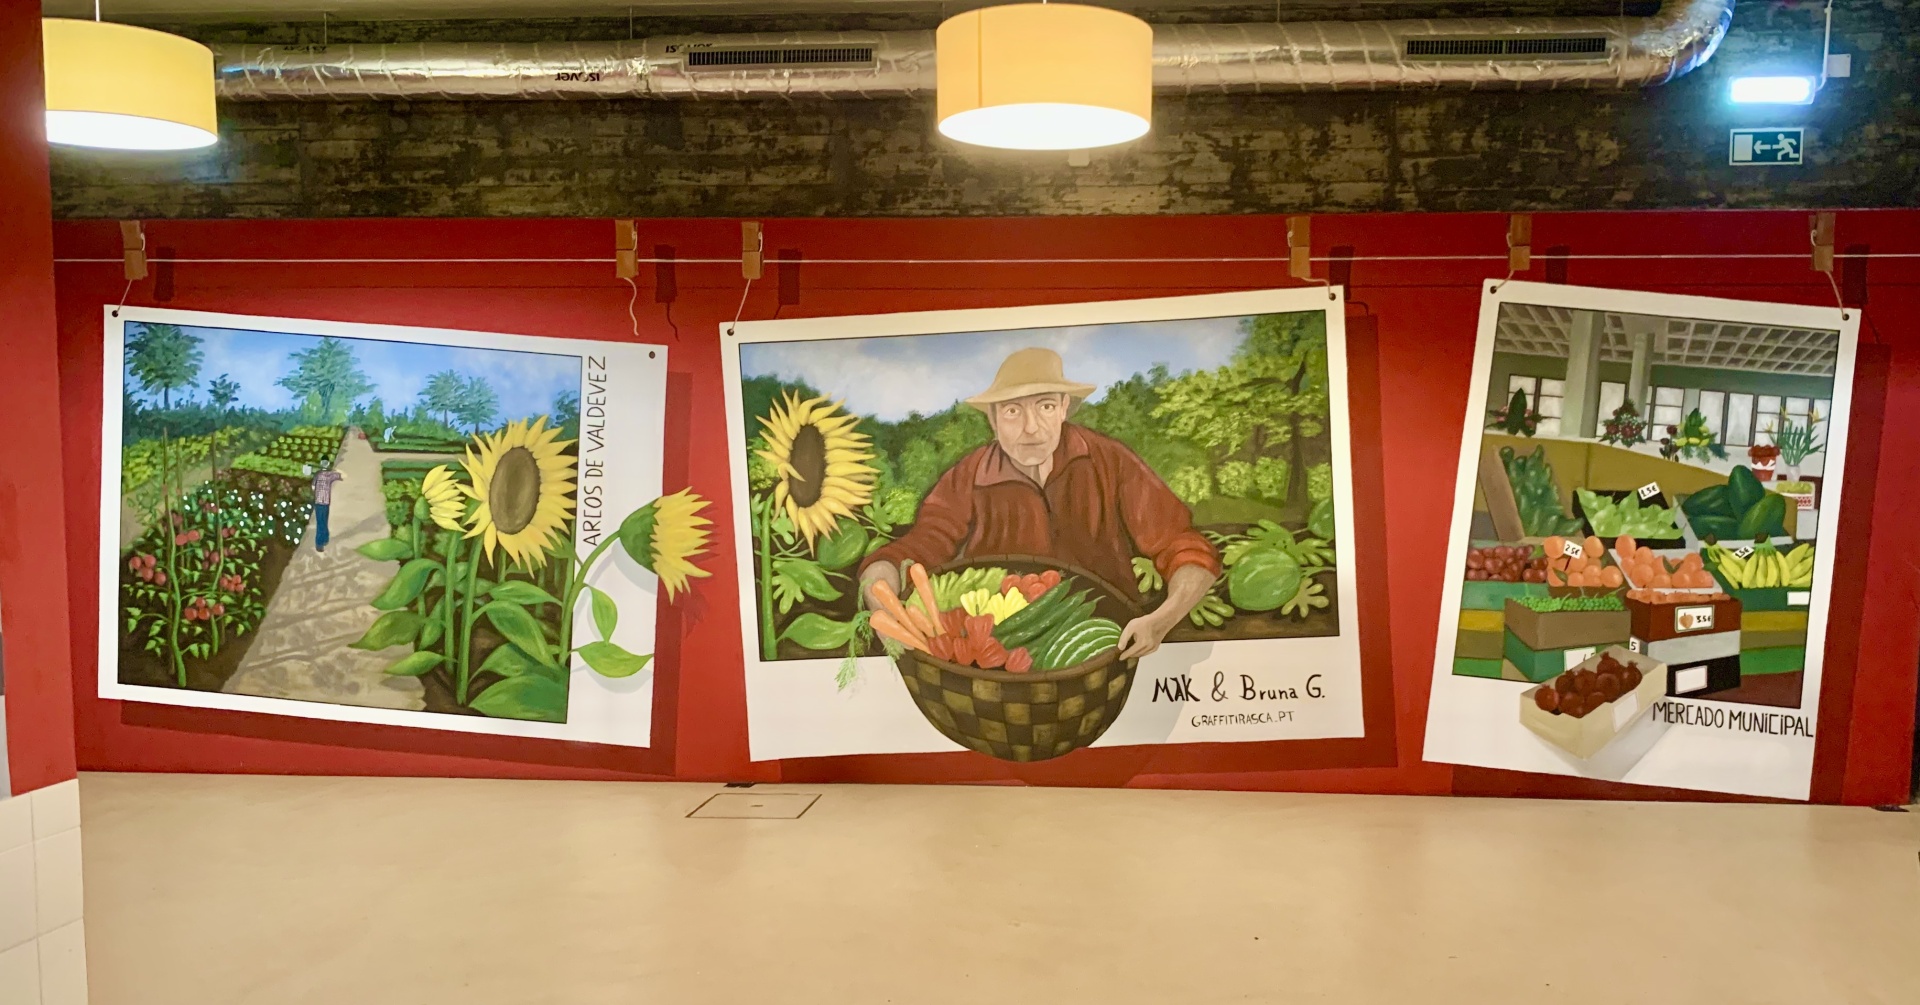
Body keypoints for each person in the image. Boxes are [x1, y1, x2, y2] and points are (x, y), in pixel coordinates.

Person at [859, 348, 1220, 659]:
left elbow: (1184, 546)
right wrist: (883, 604)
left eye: (1045, 406)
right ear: (992, 419)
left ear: (1064, 408)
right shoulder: (968, 476)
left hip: (1107, 638)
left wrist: (1161, 621)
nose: (1031, 427)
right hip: (997, 645)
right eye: (1012, 411)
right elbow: (917, 549)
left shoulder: (1109, 461)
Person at [311, 459, 344, 554]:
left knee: (320, 522)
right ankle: (323, 540)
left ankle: (321, 542)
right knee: (324, 521)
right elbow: (344, 476)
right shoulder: (330, 475)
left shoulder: (317, 474)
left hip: (318, 501)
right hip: (325, 502)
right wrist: (336, 470)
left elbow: (313, 487)